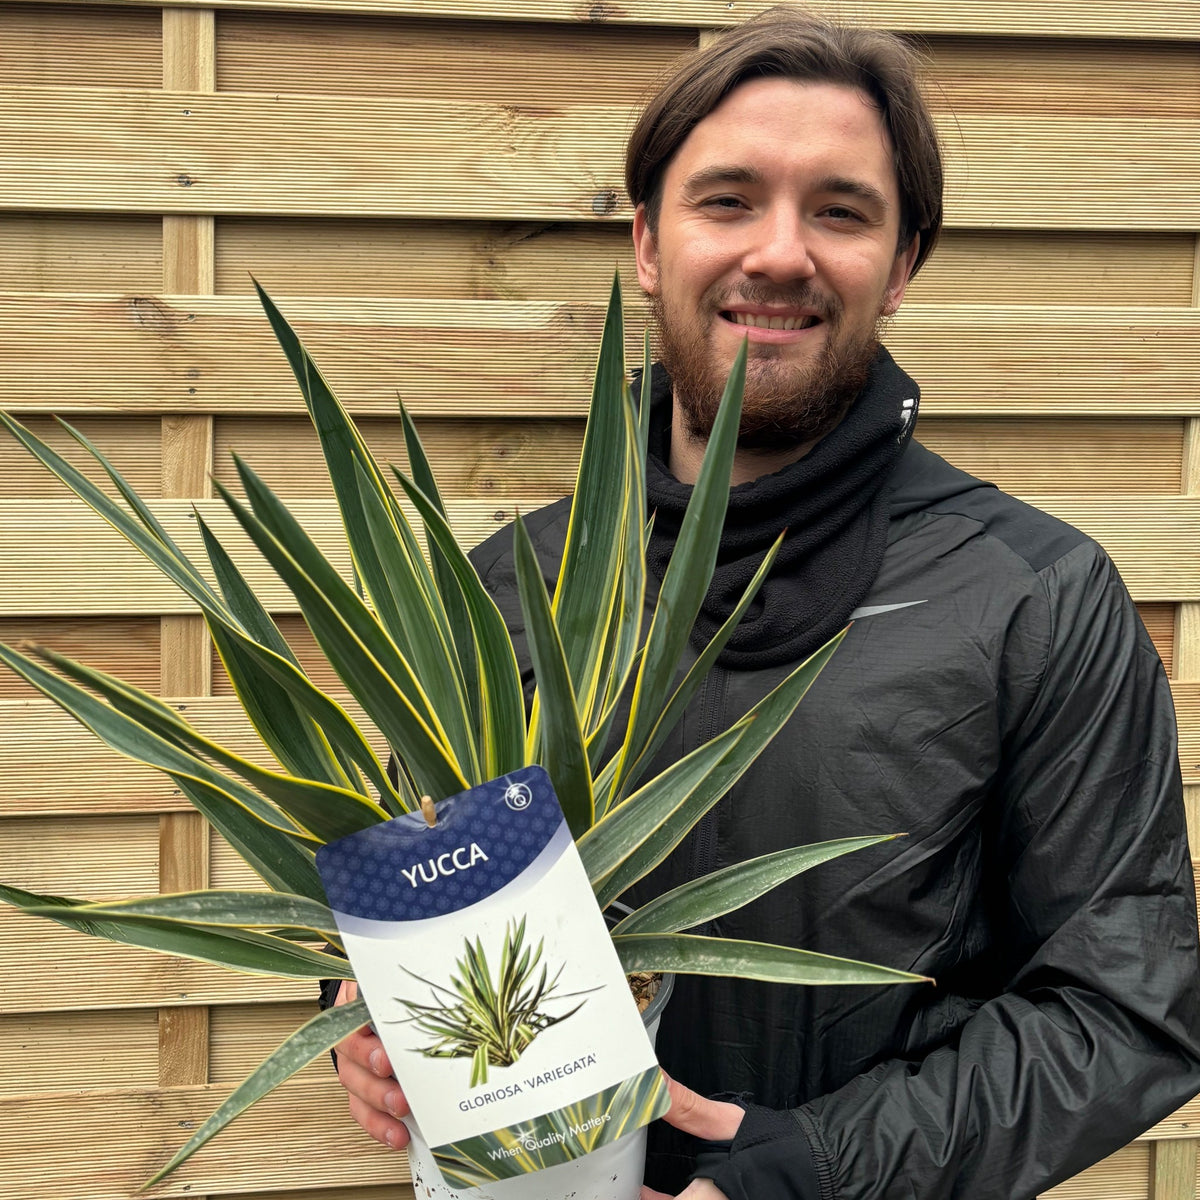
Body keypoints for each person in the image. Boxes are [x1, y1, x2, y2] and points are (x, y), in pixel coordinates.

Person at [325, 7, 1200, 1197]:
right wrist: (366, 1006)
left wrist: (808, 1171)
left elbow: (1129, 1009)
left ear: (900, 268)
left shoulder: (1034, 594)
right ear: (647, 241)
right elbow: (426, 885)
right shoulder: (500, 593)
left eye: (839, 210)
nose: (780, 252)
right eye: (727, 200)